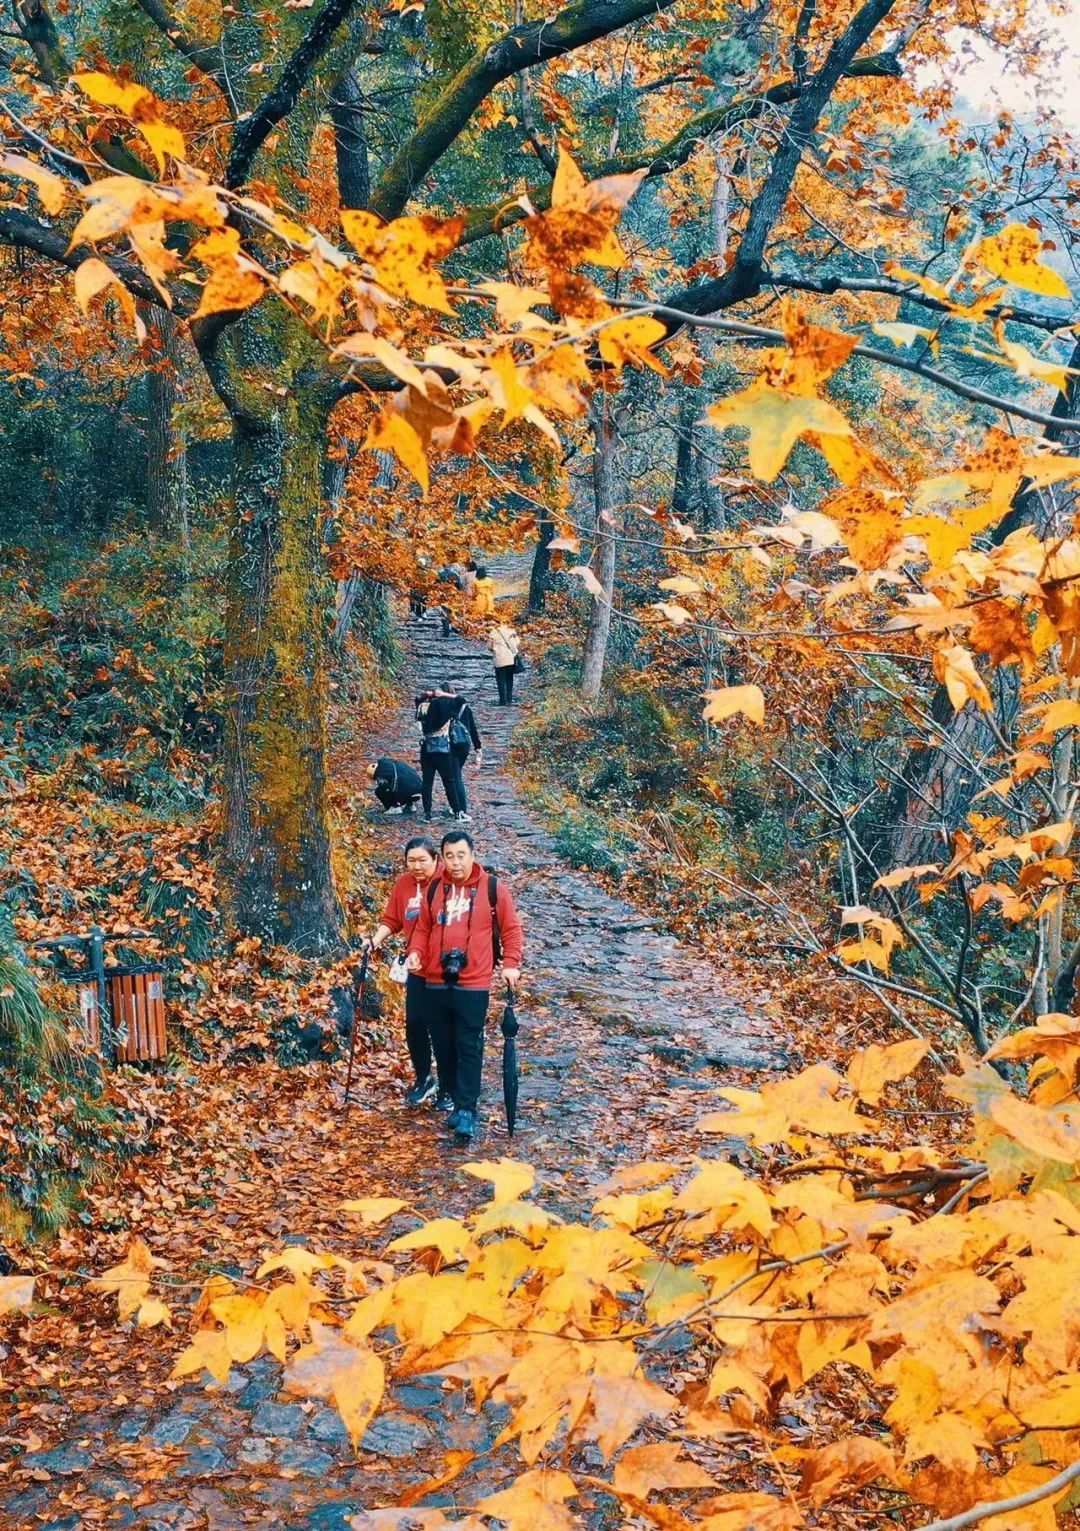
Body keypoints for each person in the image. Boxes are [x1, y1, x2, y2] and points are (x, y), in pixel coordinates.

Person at [406, 829, 523, 1142]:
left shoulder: (493, 889)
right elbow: (422, 928)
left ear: (472, 855)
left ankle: (468, 1109)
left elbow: (511, 930)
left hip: (474, 982)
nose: (455, 862)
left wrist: (511, 964)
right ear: (442, 858)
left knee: (468, 1045)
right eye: (449, 856)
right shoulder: (434, 888)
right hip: (434, 979)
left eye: (461, 855)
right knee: (444, 1046)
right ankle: (457, 1101)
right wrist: (415, 953)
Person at [363, 838, 450, 1109]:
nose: (417, 866)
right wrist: (374, 941)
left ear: (436, 860)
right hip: (415, 967)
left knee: (442, 1027)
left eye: (423, 860)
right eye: (411, 860)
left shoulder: (447, 884)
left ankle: (449, 1086)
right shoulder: (404, 884)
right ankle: (424, 1078)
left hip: (444, 968)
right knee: (414, 1024)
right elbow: (392, 920)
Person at [416, 685, 466, 820]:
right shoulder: (447, 704)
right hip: (443, 748)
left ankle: (427, 813)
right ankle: (457, 811)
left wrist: (428, 694)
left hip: (426, 748)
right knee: (449, 782)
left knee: (427, 783)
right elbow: (461, 700)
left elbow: (418, 699)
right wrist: (445, 694)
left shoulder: (423, 706)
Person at [446, 678, 483, 818]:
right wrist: (477, 746)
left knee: (455, 777)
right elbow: (472, 728)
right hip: (465, 745)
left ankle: (461, 808)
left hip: (452, 745)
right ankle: (456, 806)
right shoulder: (464, 707)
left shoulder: (445, 707)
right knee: (456, 775)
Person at [488, 621, 521, 705]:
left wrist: (495, 650)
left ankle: (502, 700)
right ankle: (509, 699)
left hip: (499, 659)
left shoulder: (494, 632)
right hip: (510, 659)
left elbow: (489, 646)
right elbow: (517, 643)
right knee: (509, 679)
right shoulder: (512, 631)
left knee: (500, 680)